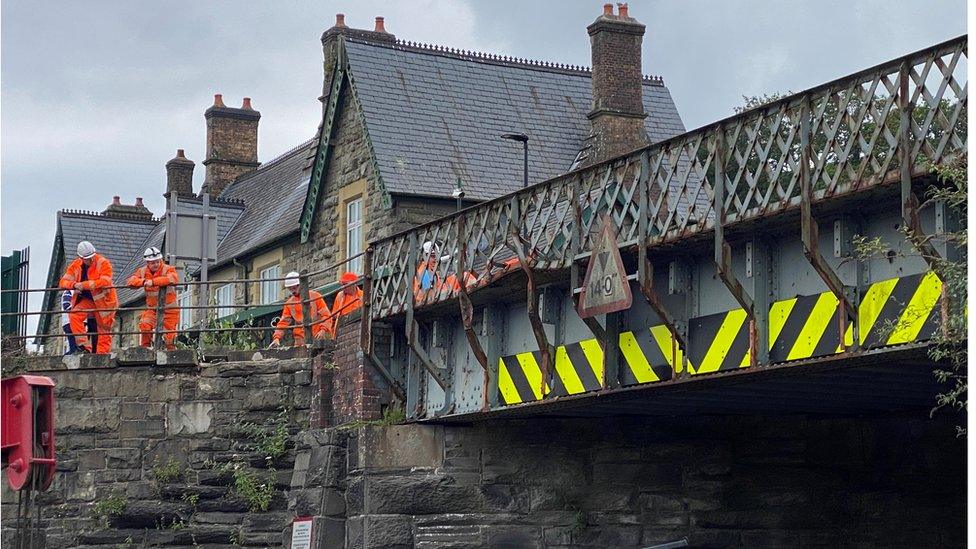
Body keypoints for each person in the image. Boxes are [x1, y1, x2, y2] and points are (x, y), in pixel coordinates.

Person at [58, 241, 118, 354]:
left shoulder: (103, 262)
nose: (90, 260)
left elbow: (105, 281)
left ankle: (102, 356)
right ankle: (84, 348)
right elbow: (63, 282)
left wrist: (83, 285)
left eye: (92, 257)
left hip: (105, 301)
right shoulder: (75, 266)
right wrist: (74, 285)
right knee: (74, 316)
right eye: (87, 258)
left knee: (104, 329)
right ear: (80, 257)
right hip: (89, 300)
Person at [126, 247, 180, 350]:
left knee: (169, 338)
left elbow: (173, 278)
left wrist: (153, 282)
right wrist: (143, 282)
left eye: (157, 261)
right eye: (153, 262)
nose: (156, 264)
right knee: (145, 325)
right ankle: (145, 350)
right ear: (147, 263)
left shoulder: (168, 269)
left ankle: (171, 354)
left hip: (170, 310)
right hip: (152, 310)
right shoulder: (142, 271)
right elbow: (130, 281)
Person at [269, 272, 332, 347]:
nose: (293, 291)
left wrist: (323, 330)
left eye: (294, 288)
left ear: (301, 285)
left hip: (318, 335)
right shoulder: (289, 303)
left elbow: (326, 315)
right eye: (290, 289)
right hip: (300, 340)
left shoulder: (315, 296)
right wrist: (277, 338)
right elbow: (283, 323)